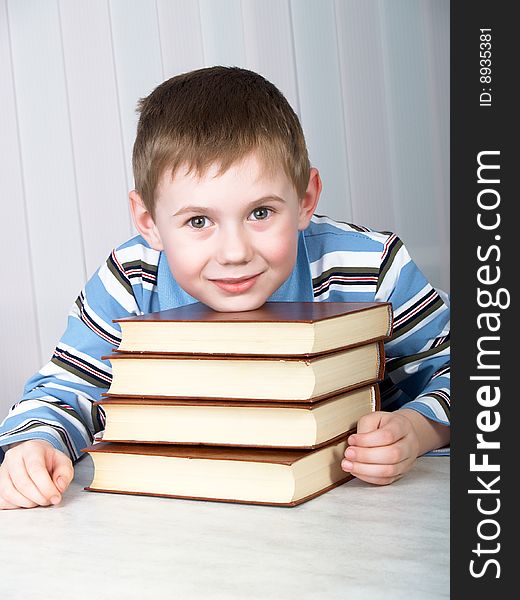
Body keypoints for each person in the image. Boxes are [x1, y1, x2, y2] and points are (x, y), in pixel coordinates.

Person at [0, 66, 450, 509]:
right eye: (199, 221)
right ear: (148, 223)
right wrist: (35, 443)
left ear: (305, 200)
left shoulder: (368, 265)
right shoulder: (132, 279)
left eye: (260, 213)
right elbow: (66, 389)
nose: (234, 252)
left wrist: (419, 428)